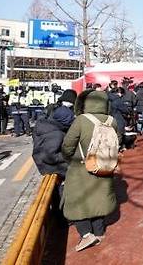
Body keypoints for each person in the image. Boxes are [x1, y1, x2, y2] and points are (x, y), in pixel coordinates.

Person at [62, 90, 118, 252]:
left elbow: (68, 145)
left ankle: (86, 234)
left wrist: (69, 158)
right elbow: (117, 141)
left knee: (77, 199)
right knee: (100, 198)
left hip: (81, 168)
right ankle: (99, 232)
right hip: (104, 166)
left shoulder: (81, 120)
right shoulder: (111, 120)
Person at [32, 89, 77, 177]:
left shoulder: (49, 123)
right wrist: (71, 156)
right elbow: (50, 156)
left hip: (45, 159)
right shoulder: (56, 133)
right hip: (49, 166)